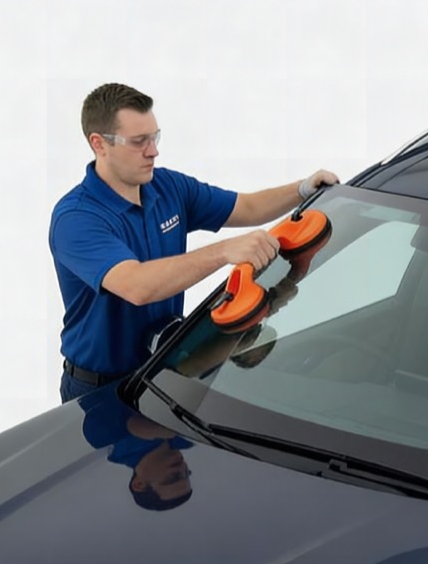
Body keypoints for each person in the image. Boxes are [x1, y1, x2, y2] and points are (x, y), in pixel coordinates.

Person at [50, 82, 340, 403]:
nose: (153, 151)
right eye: (139, 142)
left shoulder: (167, 186)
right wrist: (223, 251)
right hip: (99, 390)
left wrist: (302, 189)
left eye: (155, 137)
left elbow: (246, 207)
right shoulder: (77, 218)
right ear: (99, 144)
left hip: (165, 371)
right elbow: (136, 286)